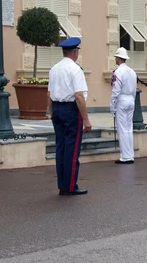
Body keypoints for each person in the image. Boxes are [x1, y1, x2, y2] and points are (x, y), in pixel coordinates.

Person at [48, 37, 92, 196]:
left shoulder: (54, 69)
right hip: (70, 110)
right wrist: (86, 119)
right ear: (75, 52)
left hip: (58, 108)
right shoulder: (75, 69)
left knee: (60, 148)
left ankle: (62, 184)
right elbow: (79, 95)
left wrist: (52, 112)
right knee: (72, 150)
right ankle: (70, 185)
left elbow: (49, 94)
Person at [110, 47, 137, 165]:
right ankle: (130, 154)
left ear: (119, 58)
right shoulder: (132, 71)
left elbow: (116, 90)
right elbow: (135, 89)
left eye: (116, 57)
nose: (115, 59)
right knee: (129, 128)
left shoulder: (118, 72)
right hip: (131, 99)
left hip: (122, 99)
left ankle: (125, 156)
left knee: (122, 129)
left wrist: (112, 106)